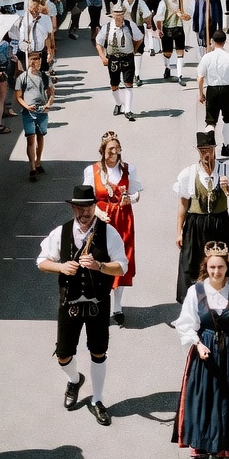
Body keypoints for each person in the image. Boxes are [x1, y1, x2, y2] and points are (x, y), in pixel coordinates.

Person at [37, 186, 128, 427]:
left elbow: (122, 266)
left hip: (98, 304)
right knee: (64, 354)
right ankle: (75, 380)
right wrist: (61, 267)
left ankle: (97, 400)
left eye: (88, 206)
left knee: (98, 352)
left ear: (94, 207)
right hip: (69, 304)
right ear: (73, 207)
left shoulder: (109, 233)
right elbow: (41, 261)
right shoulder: (61, 232)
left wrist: (99, 266)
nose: (84, 212)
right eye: (80, 207)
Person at [172, 242, 229, 459]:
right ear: (206, 267)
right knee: (207, 399)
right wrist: (197, 344)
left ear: (227, 267)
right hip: (206, 352)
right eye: (212, 268)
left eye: (220, 267)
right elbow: (185, 324)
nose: (216, 272)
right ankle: (210, 446)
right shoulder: (196, 291)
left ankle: (228, 448)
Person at [175, 131, 229, 303]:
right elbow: (183, 204)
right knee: (191, 265)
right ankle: (191, 307)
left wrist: (228, 190)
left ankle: (217, 304)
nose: (205, 154)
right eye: (202, 150)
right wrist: (179, 232)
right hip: (195, 223)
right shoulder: (189, 173)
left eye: (208, 149)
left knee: (218, 264)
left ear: (214, 149)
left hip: (219, 222)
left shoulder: (227, 170)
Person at [83, 132, 143, 326]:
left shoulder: (128, 169)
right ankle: (99, 303)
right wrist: (98, 214)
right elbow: (87, 198)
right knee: (99, 259)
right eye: (110, 150)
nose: (114, 153)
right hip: (101, 219)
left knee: (121, 260)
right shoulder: (91, 171)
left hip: (123, 219)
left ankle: (117, 307)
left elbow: (136, 194)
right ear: (103, 151)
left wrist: (129, 199)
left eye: (117, 150)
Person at [197, 30, 229, 158]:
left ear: (212, 42)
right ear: (225, 42)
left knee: (210, 121)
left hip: (212, 89)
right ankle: (225, 146)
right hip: (227, 89)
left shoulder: (206, 57)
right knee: (228, 119)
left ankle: (209, 146)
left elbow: (200, 77)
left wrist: (201, 94)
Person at [96, 0, 143, 121]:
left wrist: (134, 50)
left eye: (121, 13)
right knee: (114, 85)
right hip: (113, 59)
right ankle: (118, 103)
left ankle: (128, 110)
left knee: (128, 84)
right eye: (116, 13)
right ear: (112, 14)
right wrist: (103, 57)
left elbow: (139, 38)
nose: (119, 16)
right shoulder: (107, 27)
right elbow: (98, 43)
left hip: (127, 57)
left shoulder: (130, 25)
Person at [14, 51, 55, 181]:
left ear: (40, 60)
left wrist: (48, 104)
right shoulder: (22, 78)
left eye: (36, 59)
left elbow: (51, 93)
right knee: (30, 139)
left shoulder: (44, 76)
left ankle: (38, 161)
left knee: (40, 136)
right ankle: (32, 167)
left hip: (42, 111)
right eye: (31, 59)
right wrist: (26, 107)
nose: (33, 62)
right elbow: (18, 97)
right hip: (28, 112)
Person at [156, 0, 191, 85]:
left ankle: (180, 75)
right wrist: (159, 29)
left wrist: (182, 15)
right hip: (167, 28)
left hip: (178, 27)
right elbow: (159, 18)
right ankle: (167, 67)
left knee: (180, 51)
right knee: (167, 52)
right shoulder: (164, 2)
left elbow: (180, 11)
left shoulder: (179, 1)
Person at [120, 0, 153, 87]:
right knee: (126, 53)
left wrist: (148, 23)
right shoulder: (121, 3)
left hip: (138, 28)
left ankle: (137, 75)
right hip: (124, 29)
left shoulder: (140, 3)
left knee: (138, 52)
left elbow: (147, 15)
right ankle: (127, 76)